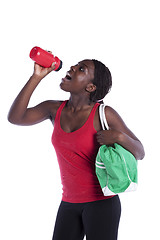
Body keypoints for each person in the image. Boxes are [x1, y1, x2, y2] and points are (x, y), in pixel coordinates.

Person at [8, 58, 145, 240]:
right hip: (68, 203)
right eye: (76, 65)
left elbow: (140, 152)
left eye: (82, 69)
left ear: (90, 87)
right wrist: (36, 77)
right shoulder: (54, 109)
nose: (72, 67)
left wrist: (118, 137)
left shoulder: (104, 113)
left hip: (102, 204)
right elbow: (16, 117)